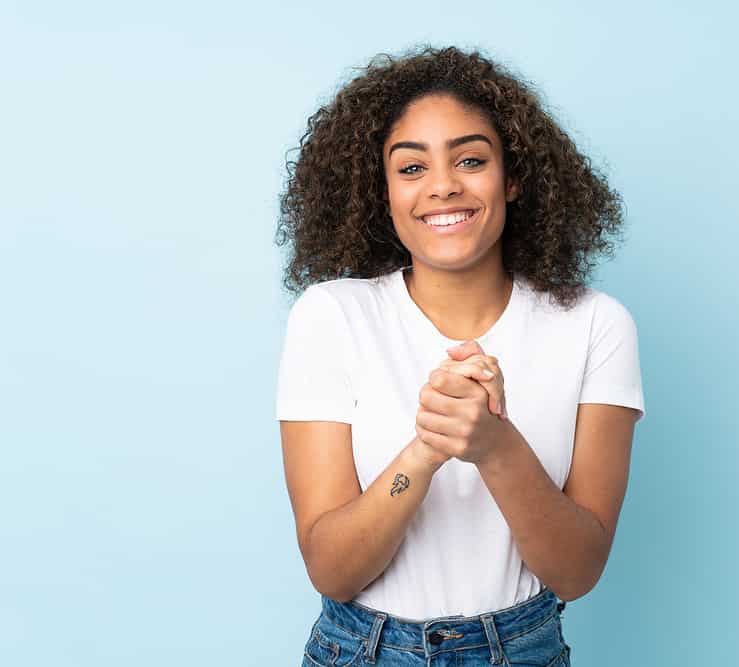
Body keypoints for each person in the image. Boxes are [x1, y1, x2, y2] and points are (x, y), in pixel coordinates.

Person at [274, 44, 646, 666]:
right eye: (411, 168)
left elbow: (578, 571)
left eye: (470, 160)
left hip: (523, 649)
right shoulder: (331, 316)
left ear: (514, 176)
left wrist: (496, 447)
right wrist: (425, 451)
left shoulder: (594, 326)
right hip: (362, 650)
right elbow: (332, 569)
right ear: (383, 191)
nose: (443, 186)